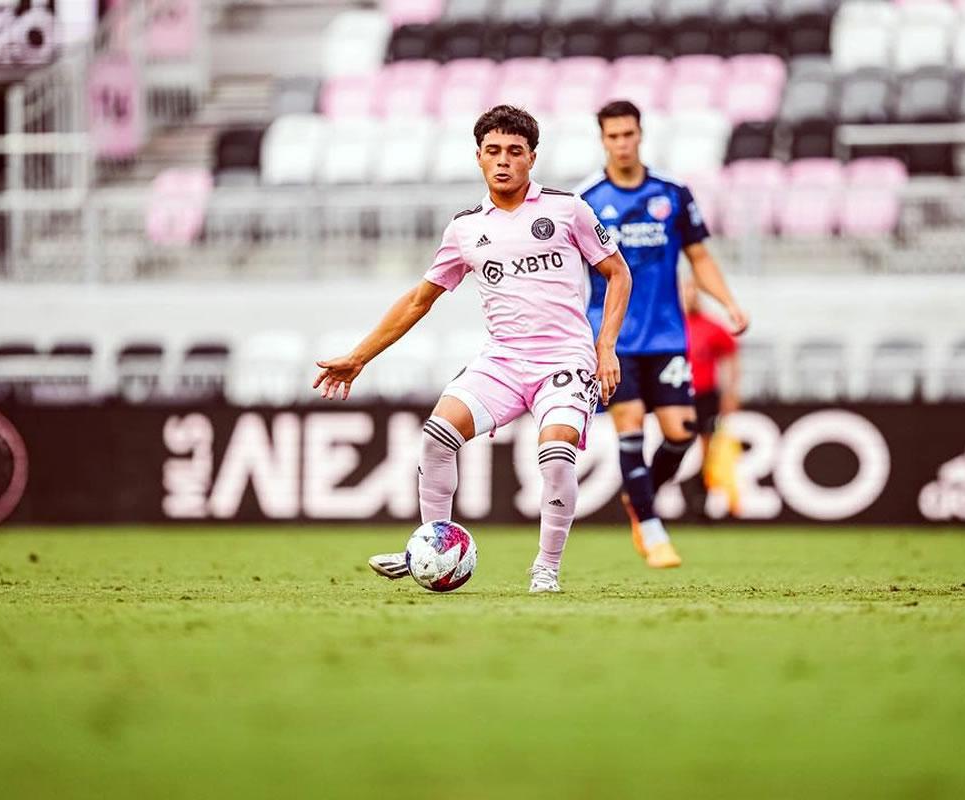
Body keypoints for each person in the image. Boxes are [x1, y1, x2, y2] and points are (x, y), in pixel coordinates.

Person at [313, 105, 632, 594]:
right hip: (503, 359)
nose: (503, 161)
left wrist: (605, 346)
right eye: (493, 151)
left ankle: (545, 568)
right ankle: (431, 545)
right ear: (479, 158)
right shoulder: (465, 229)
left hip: (565, 360)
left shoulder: (568, 209)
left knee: (556, 453)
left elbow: (618, 273)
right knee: (438, 434)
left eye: (514, 152)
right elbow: (421, 299)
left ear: (532, 158)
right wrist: (359, 356)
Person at [576, 100, 748, 568]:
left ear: (640, 134)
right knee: (629, 426)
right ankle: (652, 531)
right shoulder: (586, 199)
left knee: (683, 432)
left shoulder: (671, 192)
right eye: (613, 136)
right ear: (603, 139)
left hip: (668, 336)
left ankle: (641, 497)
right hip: (614, 339)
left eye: (629, 134)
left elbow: (700, 257)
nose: (622, 143)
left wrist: (727, 302)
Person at [680, 278, 741, 517]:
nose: (690, 298)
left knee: (707, 449)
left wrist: (731, 392)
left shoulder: (712, 327)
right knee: (677, 444)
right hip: (677, 396)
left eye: (693, 293)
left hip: (705, 395)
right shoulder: (671, 326)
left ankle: (700, 494)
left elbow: (731, 358)